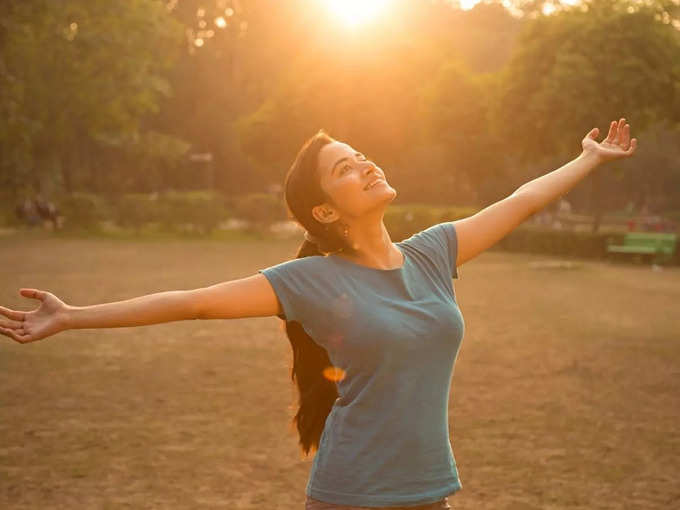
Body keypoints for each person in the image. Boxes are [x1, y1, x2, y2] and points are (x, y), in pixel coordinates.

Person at [0, 118, 637, 509]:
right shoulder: (309, 280)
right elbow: (191, 303)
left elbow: (522, 201)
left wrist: (588, 158)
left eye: (362, 154)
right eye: (344, 167)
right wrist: (73, 315)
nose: (364, 163)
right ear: (326, 211)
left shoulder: (435, 252)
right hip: (353, 497)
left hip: (431, 494)